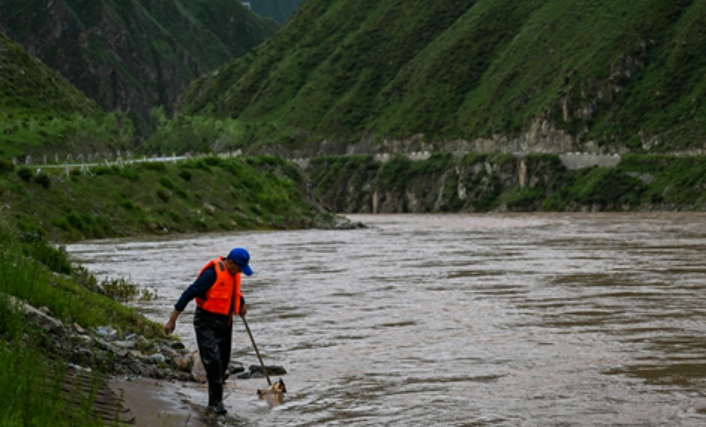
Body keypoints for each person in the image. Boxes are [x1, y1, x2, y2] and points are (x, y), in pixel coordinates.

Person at [164, 247, 253, 415]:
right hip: (206, 323)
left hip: (225, 322)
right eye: (240, 267)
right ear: (231, 262)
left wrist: (242, 303)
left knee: (223, 362)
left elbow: (235, 291)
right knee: (213, 362)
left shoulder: (234, 273)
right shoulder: (211, 274)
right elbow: (188, 294)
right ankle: (217, 403)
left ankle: (213, 399)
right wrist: (172, 320)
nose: (241, 271)